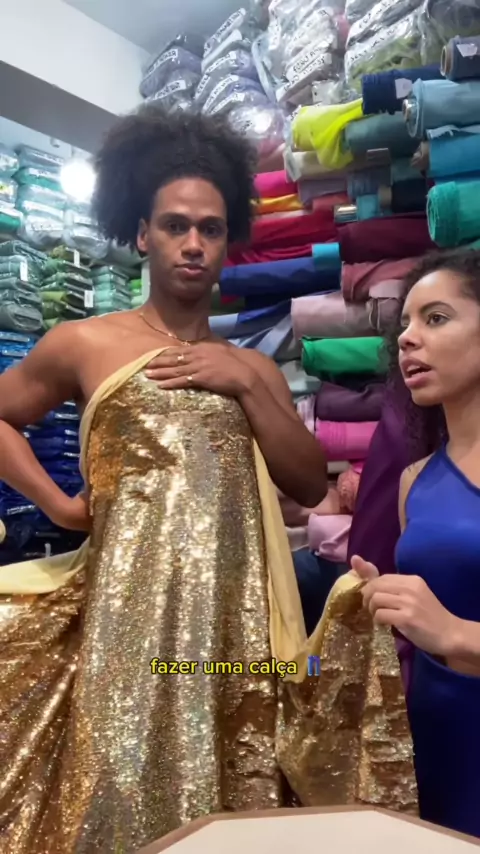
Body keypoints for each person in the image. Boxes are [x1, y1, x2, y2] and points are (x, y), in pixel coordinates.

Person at [0, 107, 327, 852]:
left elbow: (309, 483)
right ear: (143, 233)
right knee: (115, 780)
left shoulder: (252, 366)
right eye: (176, 226)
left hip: (230, 624)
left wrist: (240, 384)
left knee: (227, 778)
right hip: (123, 621)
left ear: (227, 242)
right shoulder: (84, 343)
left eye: (210, 229)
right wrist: (59, 506)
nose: (193, 244)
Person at [351, 249, 480, 839]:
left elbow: (443, 624)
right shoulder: (413, 482)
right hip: (434, 740)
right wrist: (382, 600)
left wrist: (452, 632)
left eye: (436, 318)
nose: (406, 338)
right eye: (404, 323)